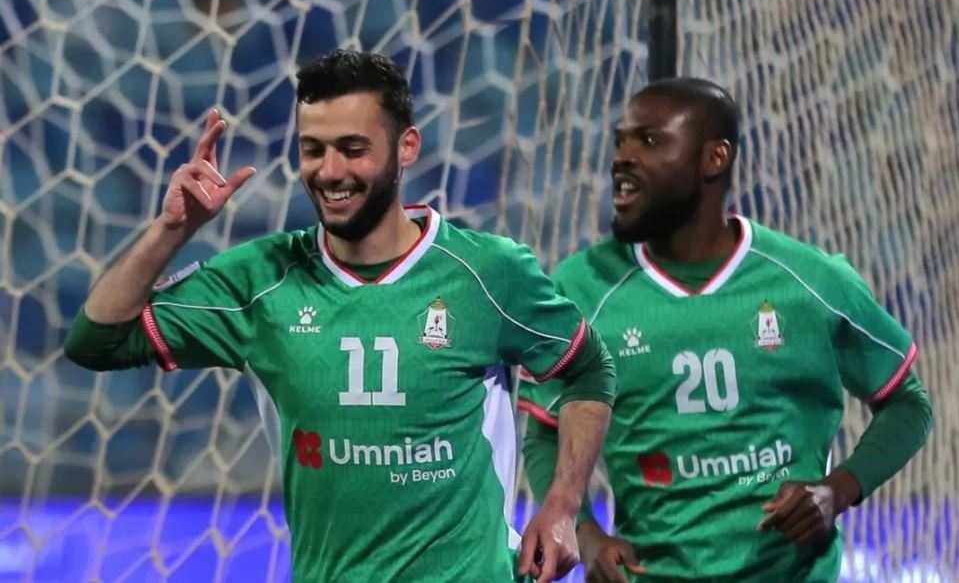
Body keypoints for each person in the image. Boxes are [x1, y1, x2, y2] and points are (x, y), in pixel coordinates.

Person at [64, 49, 616, 583]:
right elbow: (96, 341)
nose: (329, 172)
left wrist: (563, 506)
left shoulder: (488, 271)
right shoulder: (262, 281)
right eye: (313, 149)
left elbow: (588, 367)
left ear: (406, 147)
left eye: (353, 149)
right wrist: (172, 230)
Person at [518, 77, 933, 581]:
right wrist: (584, 531)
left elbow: (908, 403)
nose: (623, 158)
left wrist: (837, 490)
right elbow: (546, 429)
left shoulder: (810, 281)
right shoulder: (583, 290)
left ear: (715, 158)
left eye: (648, 141)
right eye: (620, 141)